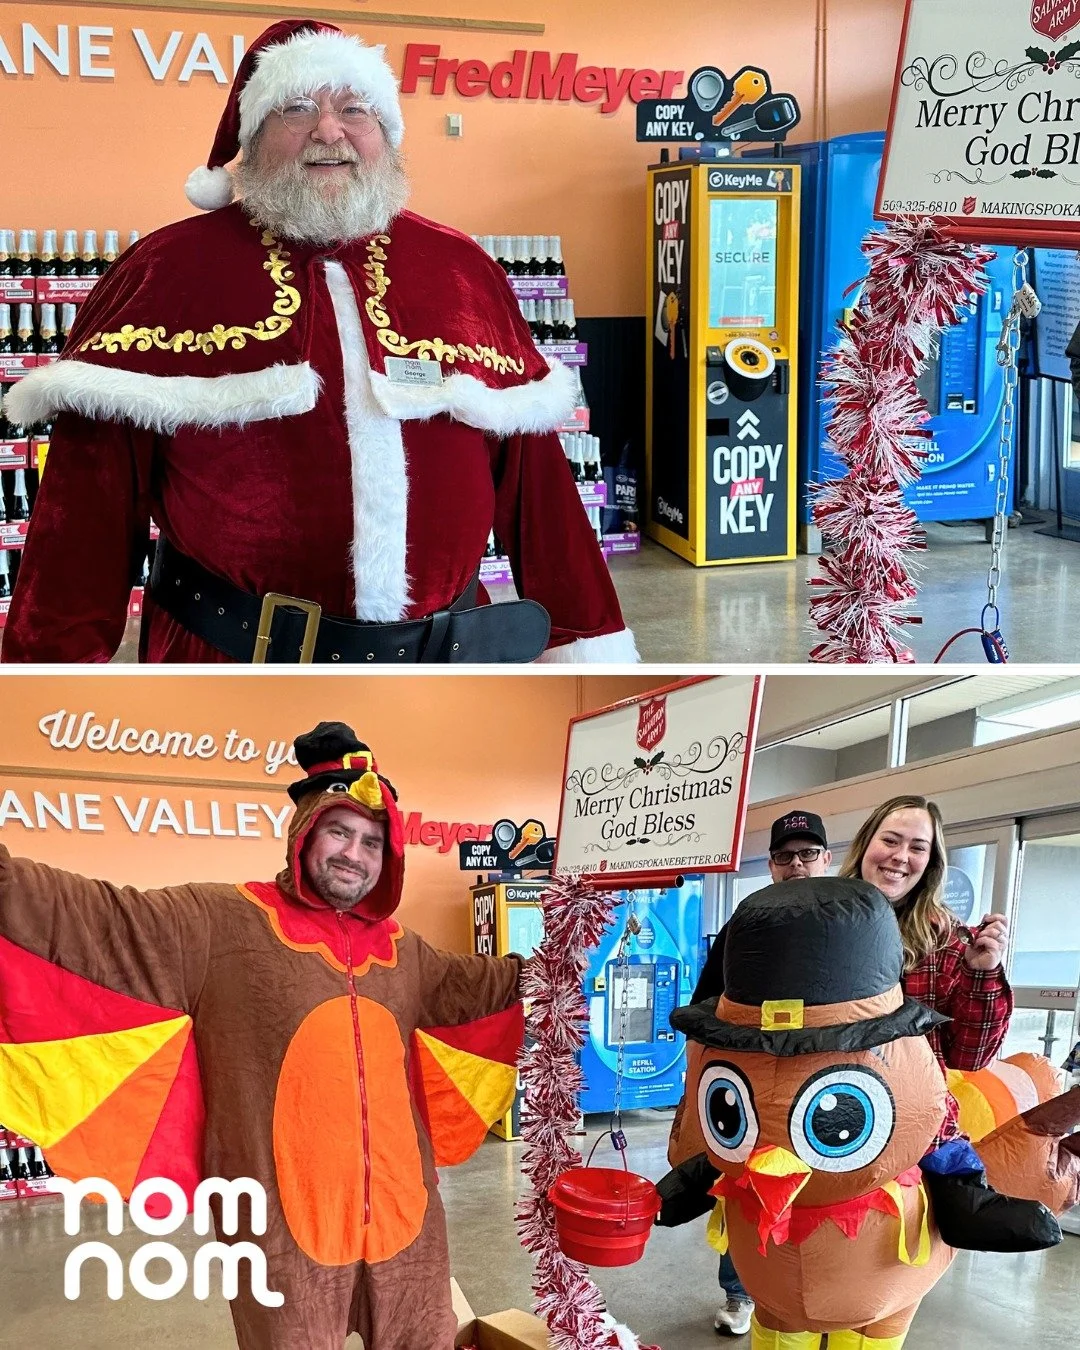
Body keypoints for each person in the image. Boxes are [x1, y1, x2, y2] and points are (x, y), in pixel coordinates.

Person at [1, 19, 637, 665]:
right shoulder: (162, 271)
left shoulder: (460, 267)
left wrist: (586, 641)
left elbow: (538, 490)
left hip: (450, 659)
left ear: (385, 134)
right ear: (250, 140)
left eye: (353, 109)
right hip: (229, 661)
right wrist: (46, 675)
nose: (328, 131)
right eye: (296, 108)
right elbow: (84, 521)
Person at [0, 722, 525, 1349]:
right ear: (303, 833)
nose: (354, 854)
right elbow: (97, 922)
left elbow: (486, 988)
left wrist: (564, 949)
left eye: (373, 842)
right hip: (277, 1224)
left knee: (426, 1337)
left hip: (404, 1214)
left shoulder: (405, 953)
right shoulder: (220, 922)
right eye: (339, 831)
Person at [838, 793, 1056, 1248]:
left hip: (915, 1115)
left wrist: (981, 974)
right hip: (825, 1099)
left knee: (949, 1171)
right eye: (891, 840)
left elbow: (970, 1055)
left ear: (931, 862)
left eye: (917, 847)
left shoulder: (947, 939)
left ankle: (965, 1205)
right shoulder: (823, 919)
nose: (901, 857)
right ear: (866, 845)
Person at [687, 808, 833, 1338]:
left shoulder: (847, 919)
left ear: (826, 859)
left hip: (828, 1087)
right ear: (771, 865)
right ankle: (741, 1291)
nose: (797, 865)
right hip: (754, 1086)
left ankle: (825, 1293)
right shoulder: (744, 923)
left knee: (831, 1192)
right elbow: (706, 1000)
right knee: (750, 1190)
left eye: (807, 854)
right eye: (785, 856)